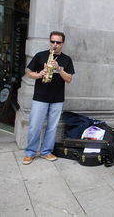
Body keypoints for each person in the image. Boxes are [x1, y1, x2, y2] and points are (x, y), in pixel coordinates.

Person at [22, 31, 75, 165]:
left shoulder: (66, 59)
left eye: (58, 42)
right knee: (35, 126)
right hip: (40, 97)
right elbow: (29, 73)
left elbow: (69, 79)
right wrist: (39, 74)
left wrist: (59, 69)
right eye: (53, 41)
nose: (55, 45)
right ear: (49, 41)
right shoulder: (40, 56)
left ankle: (46, 151)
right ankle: (30, 152)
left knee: (52, 127)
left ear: (63, 43)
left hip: (57, 99)